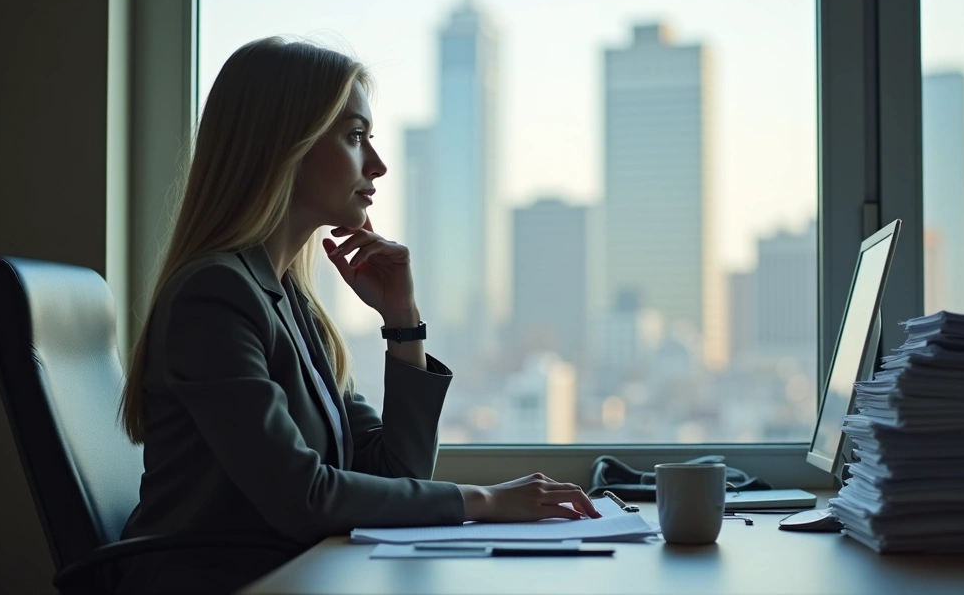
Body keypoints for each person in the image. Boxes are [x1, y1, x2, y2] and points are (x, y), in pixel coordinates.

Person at [114, 37, 600, 594]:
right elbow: (305, 497)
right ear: (283, 146)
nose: (378, 164)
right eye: (354, 137)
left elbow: (398, 473)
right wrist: (485, 500)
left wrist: (403, 321)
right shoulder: (215, 297)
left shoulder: (289, 302)